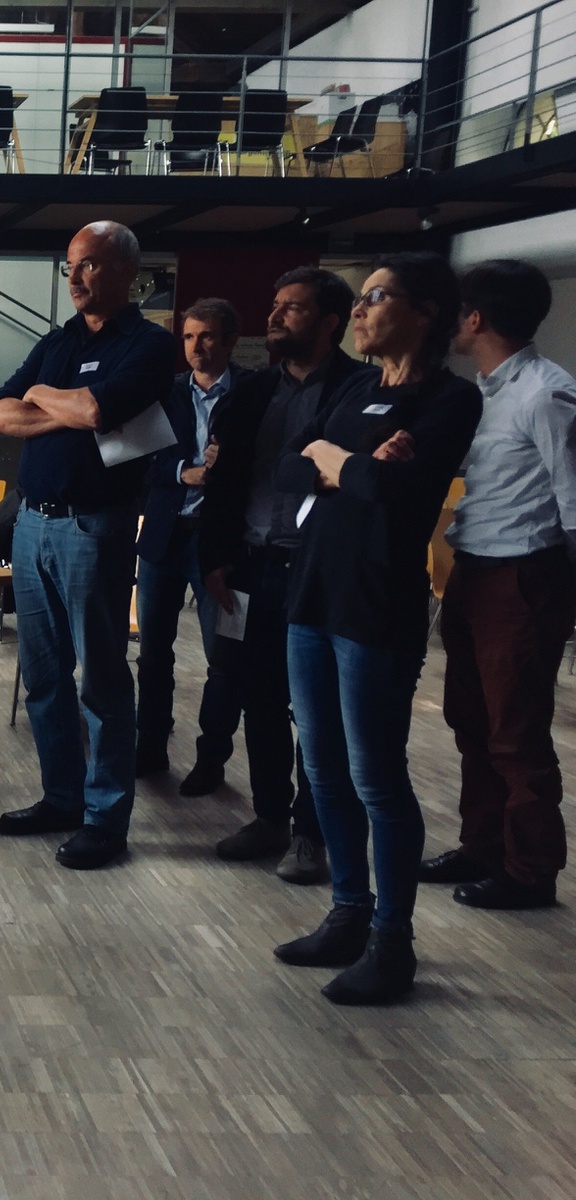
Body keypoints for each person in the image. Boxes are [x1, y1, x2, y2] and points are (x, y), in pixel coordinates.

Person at [272, 252, 482, 1006]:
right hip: (313, 596)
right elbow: (291, 467)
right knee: (323, 771)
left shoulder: (450, 399)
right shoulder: (356, 386)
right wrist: (349, 462)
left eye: (377, 296)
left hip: (376, 607)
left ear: (425, 311)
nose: (360, 310)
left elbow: (396, 488)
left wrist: (342, 461)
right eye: (359, 299)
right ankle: (348, 914)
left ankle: (393, 942)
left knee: (376, 778)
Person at [0, 221, 176, 870]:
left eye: (90, 264)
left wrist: (43, 396)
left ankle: (104, 819)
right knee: (43, 678)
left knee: (101, 681)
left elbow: (99, 412)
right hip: (32, 524)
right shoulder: (58, 340)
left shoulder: (149, 344)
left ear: (126, 271)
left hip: (95, 527)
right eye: (69, 264)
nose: (74, 276)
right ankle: (61, 798)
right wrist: (65, 405)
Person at [199, 268, 374, 881]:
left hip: (320, 570)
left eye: (291, 309)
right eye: (274, 305)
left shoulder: (359, 390)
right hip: (253, 565)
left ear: (330, 322)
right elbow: (222, 482)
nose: (273, 317)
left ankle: (311, 833)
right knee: (260, 698)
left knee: (318, 711)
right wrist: (214, 559)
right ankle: (271, 815)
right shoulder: (251, 392)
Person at [421, 259, 576, 910]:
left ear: (475, 318)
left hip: (523, 575)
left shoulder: (546, 394)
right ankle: (482, 847)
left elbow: (575, 504)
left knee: (516, 734)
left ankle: (529, 871)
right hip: (475, 569)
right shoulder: (482, 391)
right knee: (471, 720)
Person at [134, 297, 246, 793]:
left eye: (206, 336)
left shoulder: (252, 392)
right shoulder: (166, 392)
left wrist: (227, 465)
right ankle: (150, 746)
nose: (196, 347)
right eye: (188, 337)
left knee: (224, 659)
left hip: (222, 544)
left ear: (230, 341)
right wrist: (186, 471)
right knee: (153, 654)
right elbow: (139, 458)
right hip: (164, 536)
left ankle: (211, 760)